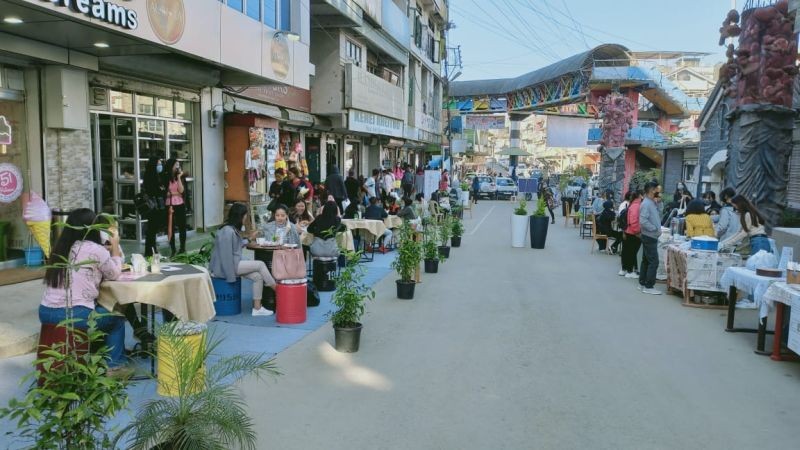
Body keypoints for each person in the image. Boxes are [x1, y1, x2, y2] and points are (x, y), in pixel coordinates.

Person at [39, 208, 132, 378]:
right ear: (94, 228)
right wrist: (115, 245)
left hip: (45, 312)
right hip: (74, 315)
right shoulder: (95, 250)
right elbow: (115, 273)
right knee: (116, 316)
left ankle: (93, 357)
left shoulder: (60, 249)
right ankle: (115, 367)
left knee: (100, 311)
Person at [209, 203, 275, 317]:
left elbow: (237, 245)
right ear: (240, 216)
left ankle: (257, 308)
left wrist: (249, 238)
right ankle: (277, 289)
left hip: (233, 264)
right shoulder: (227, 231)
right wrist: (230, 276)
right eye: (245, 215)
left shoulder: (231, 229)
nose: (246, 218)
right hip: (226, 268)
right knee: (260, 264)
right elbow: (225, 256)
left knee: (257, 277)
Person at [638, 181, 662, 295]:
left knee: (647, 260)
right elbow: (643, 220)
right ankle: (649, 286)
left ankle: (642, 283)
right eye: (657, 189)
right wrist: (654, 229)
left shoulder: (652, 202)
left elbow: (658, 214)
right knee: (654, 261)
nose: (658, 191)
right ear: (651, 190)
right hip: (649, 235)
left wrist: (659, 202)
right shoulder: (646, 204)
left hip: (650, 235)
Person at [142, 156, 166, 258]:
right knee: (152, 230)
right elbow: (155, 191)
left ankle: (152, 250)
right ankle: (150, 251)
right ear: (154, 165)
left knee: (152, 230)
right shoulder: (151, 177)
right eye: (159, 164)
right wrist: (161, 189)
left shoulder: (154, 175)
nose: (160, 166)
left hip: (154, 207)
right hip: (153, 208)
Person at [164, 158, 187, 257]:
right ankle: (173, 248)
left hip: (180, 204)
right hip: (169, 205)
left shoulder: (180, 177)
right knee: (171, 227)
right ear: (171, 166)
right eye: (175, 165)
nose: (177, 167)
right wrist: (174, 193)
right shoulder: (165, 177)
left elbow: (181, 191)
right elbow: (166, 193)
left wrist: (178, 177)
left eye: (178, 165)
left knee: (182, 226)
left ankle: (182, 247)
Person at [620, 191, 642, 277]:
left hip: (627, 231)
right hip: (633, 232)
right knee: (632, 252)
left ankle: (624, 269)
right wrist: (637, 231)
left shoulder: (631, 205)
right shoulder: (637, 206)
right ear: (639, 196)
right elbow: (633, 220)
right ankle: (630, 271)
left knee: (626, 251)